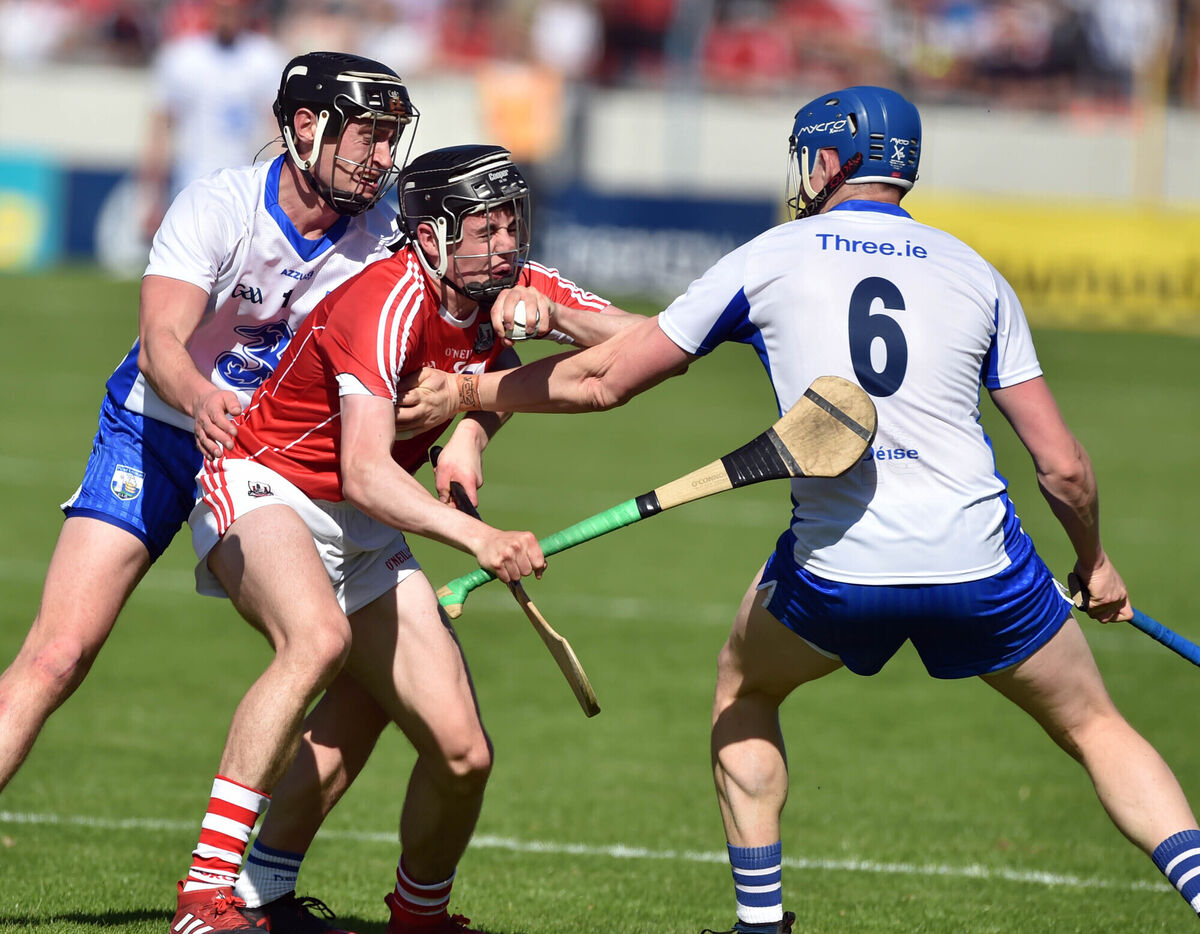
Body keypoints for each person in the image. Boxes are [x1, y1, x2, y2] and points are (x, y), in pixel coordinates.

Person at [392, 86, 1200, 932]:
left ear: (827, 161)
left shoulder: (771, 257)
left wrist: (468, 391)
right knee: (1099, 727)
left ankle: (761, 923)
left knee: (744, 689)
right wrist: (1096, 563)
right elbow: (1063, 467)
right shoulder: (975, 272)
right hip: (981, 560)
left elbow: (606, 380)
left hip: (839, 569)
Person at [176, 142, 636, 934]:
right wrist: (477, 539)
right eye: (482, 231)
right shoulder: (384, 299)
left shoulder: (510, 287)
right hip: (267, 481)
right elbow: (363, 471)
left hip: (366, 523)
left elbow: (653, 346)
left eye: (510, 227)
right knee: (316, 642)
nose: (503, 247)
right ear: (428, 236)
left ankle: (410, 915)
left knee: (464, 753)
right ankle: (206, 895)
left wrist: (483, 416)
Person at [0, 45, 418, 916]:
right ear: (305, 129)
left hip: (273, 461)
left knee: (351, 665)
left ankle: (260, 883)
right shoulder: (220, 204)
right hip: (156, 432)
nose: (382, 157)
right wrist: (203, 398)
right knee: (58, 652)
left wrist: (469, 434)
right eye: (367, 136)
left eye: (390, 138)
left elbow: (445, 345)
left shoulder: (383, 236)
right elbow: (162, 342)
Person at [139, 0, 286, 239]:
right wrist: (150, 197)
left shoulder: (265, 58)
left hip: (246, 183)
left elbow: (278, 131)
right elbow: (160, 131)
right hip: (192, 180)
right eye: (220, 9)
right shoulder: (181, 57)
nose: (226, 17)